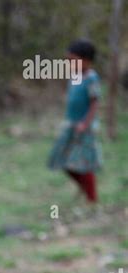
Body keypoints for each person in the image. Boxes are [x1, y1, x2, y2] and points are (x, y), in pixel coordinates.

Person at [48, 39, 102, 203]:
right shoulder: (75, 76)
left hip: (84, 127)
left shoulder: (91, 78)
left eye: (73, 60)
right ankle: (83, 187)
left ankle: (92, 199)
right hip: (71, 124)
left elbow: (94, 102)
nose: (70, 63)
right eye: (68, 60)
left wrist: (85, 123)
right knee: (62, 159)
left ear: (86, 60)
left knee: (83, 164)